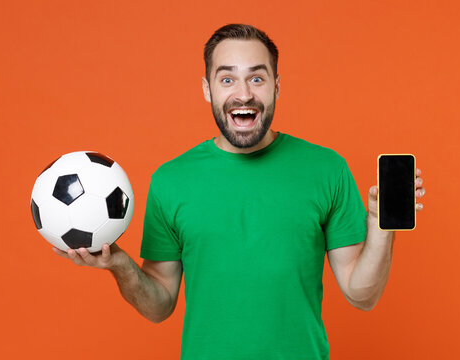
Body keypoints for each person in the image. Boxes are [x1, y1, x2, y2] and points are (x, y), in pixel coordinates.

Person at [53, 24, 426, 360]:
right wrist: (120, 266)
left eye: (257, 79)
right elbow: (159, 306)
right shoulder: (170, 180)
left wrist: (381, 228)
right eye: (227, 79)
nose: (243, 94)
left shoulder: (327, 169)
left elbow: (362, 295)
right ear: (207, 88)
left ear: (277, 86)